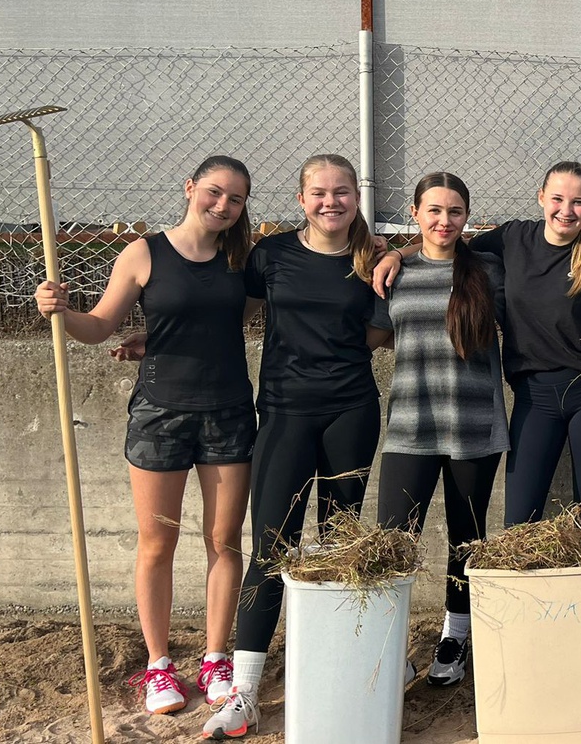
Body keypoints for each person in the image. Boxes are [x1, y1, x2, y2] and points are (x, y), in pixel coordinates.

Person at [34, 156, 255, 716]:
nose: (222, 206)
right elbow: (99, 327)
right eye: (214, 193)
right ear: (189, 188)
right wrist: (60, 311)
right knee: (157, 542)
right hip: (160, 416)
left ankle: (215, 658)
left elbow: (250, 313)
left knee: (224, 542)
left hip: (228, 415)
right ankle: (159, 665)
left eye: (234, 199)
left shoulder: (244, 262)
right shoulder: (143, 253)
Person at [202, 154, 382, 739]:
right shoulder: (271, 255)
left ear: (357, 197)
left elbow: (382, 331)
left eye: (343, 192)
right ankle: (245, 693)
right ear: (301, 198)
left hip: (351, 412)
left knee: (337, 546)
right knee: (271, 547)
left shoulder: (375, 259)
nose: (331, 202)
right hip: (282, 413)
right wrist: (155, 336)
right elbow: (231, 316)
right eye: (319, 193)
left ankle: (333, 669)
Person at [374, 163, 581, 544]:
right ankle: (526, 605)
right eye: (558, 199)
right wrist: (399, 253)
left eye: (578, 202)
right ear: (541, 198)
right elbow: (446, 244)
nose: (566, 210)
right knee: (518, 523)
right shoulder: (513, 239)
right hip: (534, 395)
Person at [371, 172, 508, 695]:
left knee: (465, 540)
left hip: (474, 426)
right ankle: (389, 640)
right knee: (392, 539)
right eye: (433, 211)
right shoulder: (394, 274)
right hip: (410, 425)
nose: (443, 221)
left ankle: (456, 636)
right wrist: (396, 254)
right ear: (414, 213)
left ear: (466, 216)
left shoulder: (488, 272)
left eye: (453, 211)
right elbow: (378, 336)